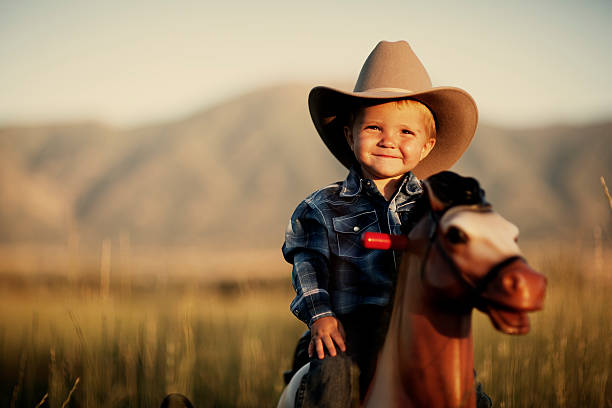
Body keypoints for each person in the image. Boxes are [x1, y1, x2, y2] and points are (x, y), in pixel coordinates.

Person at [282, 40, 484, 407]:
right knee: (333, 377)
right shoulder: (321, 206)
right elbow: (307, 263)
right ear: (349, 134)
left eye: (406, 132)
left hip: (416, 332)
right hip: (345, 330)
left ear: (427, 145)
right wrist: (321, 316)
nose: (389, 140)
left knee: (468, 389)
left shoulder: (440, 210)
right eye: (375, 128)